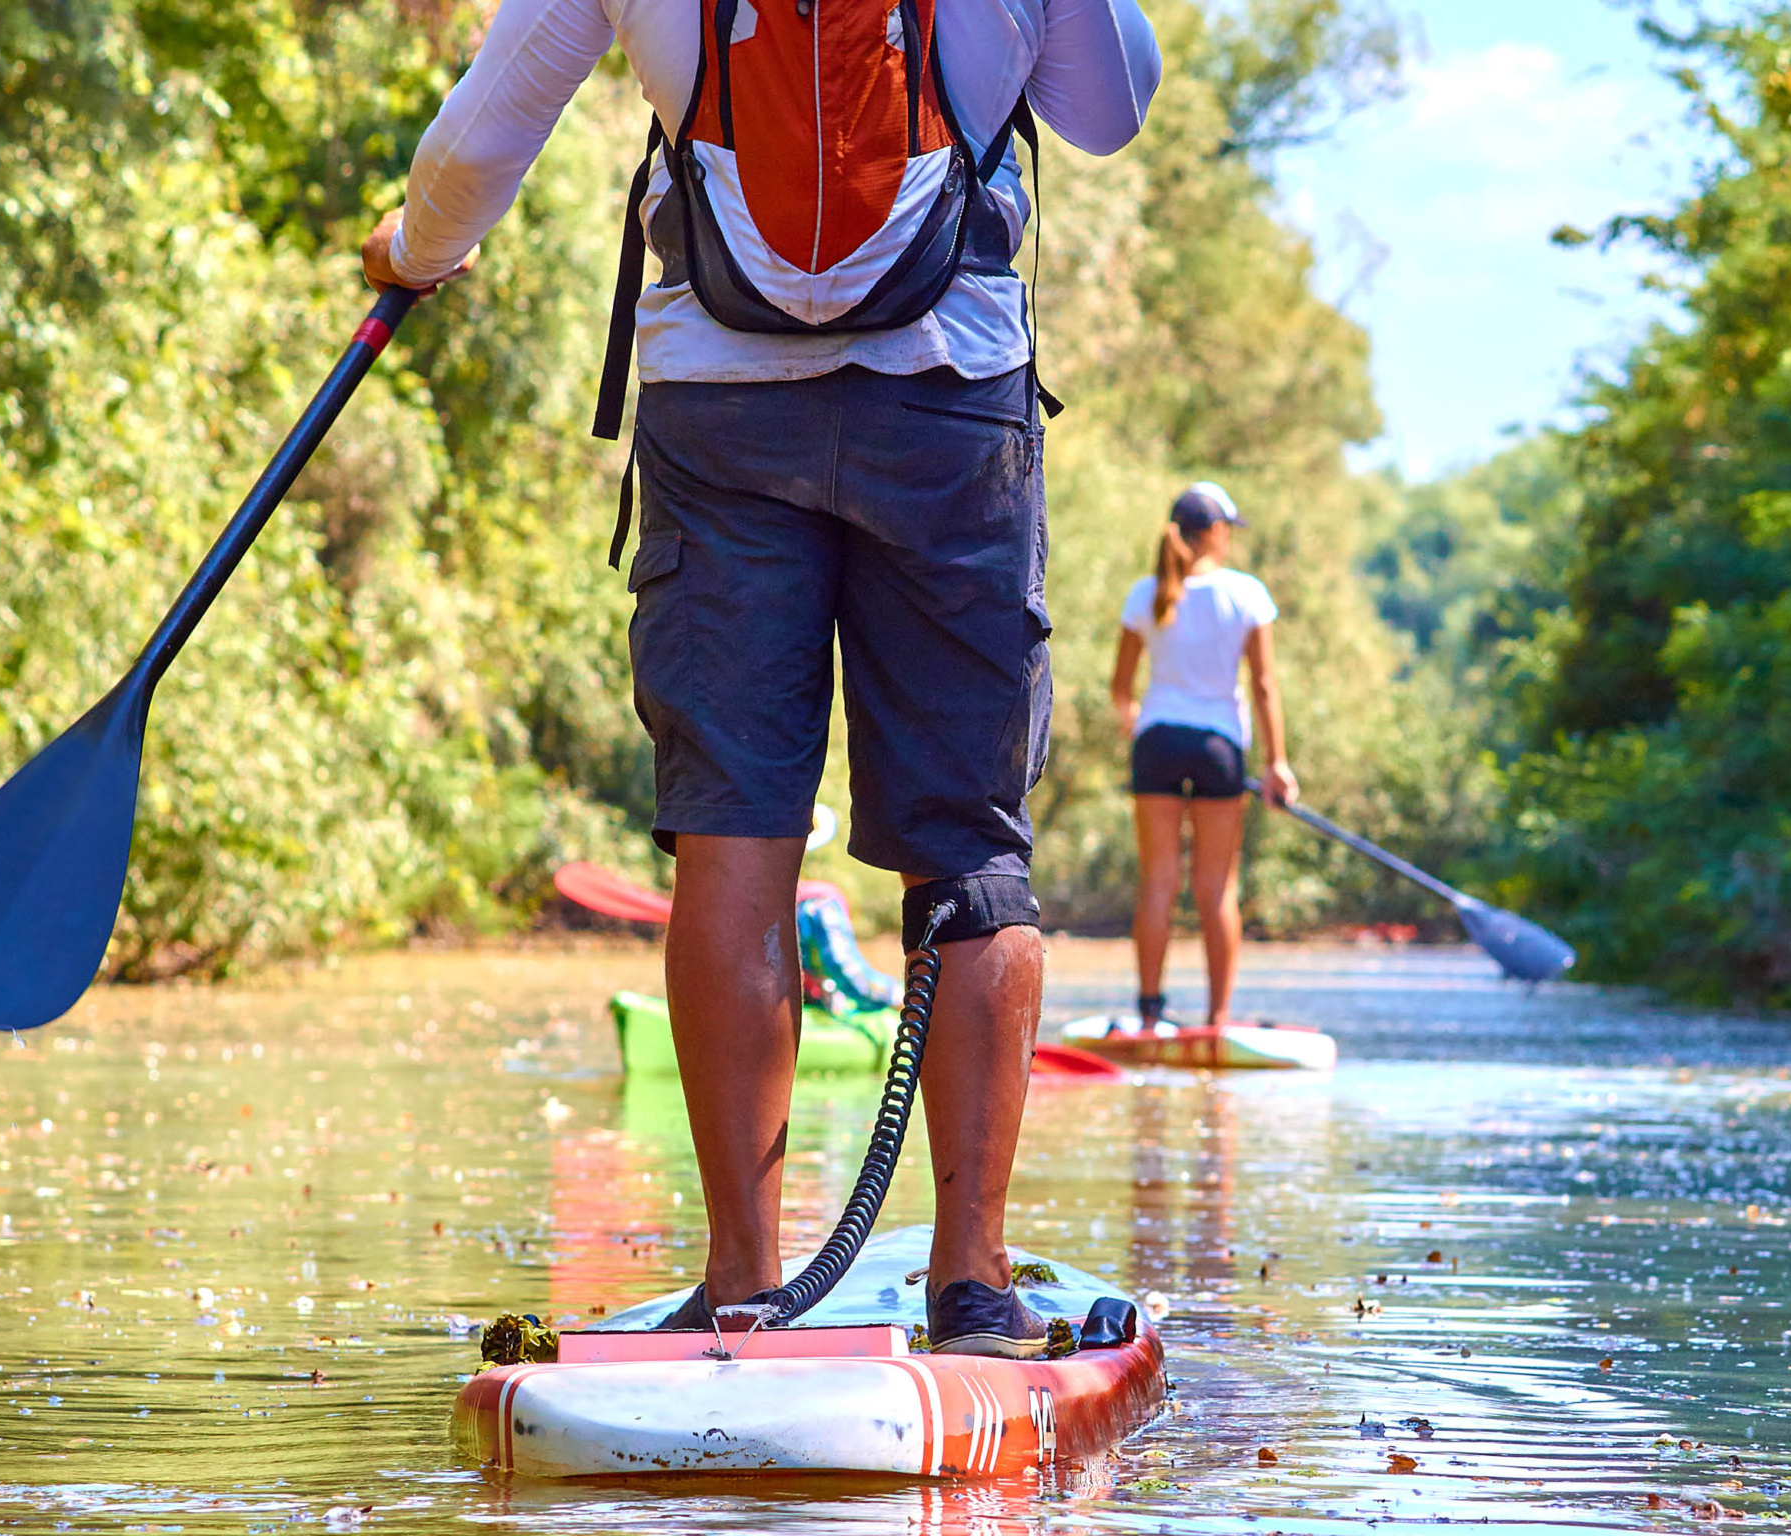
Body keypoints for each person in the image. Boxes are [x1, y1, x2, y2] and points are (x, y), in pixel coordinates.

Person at [360, 0, 1159, 1358]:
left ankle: (742, 1283)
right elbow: (1108, 109)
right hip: (949, 410)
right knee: (970, 846)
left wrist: (415, 250)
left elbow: (485, 131)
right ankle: (972, 1282)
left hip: (718, 412)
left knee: (733, 835)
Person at [1109, 482, 1296, 1031]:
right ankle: (1216, 1022)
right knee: (1216, 888)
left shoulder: (1145, 593)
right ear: (1215, 533)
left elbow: (1121, 687)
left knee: (1159, 881)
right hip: (1218, 748)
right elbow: (1264, 686)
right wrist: (1276, 763)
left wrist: (1133, 724)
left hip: (1158, 741)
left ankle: (1149, 1016)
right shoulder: (1247, 594)